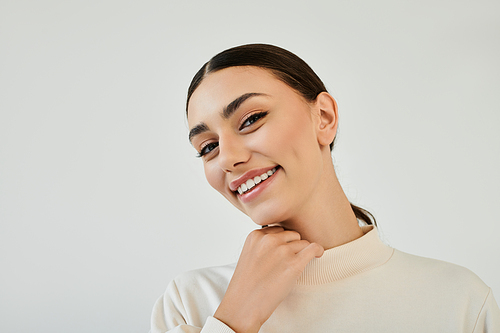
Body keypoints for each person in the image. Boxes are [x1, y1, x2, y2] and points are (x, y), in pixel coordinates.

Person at [150, 44, 500, 332]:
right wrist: (234, 319)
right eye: (208, 147)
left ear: (324, 118)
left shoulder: (460, 301)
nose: (228, 158)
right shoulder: (191, 304)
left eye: (251, 119)